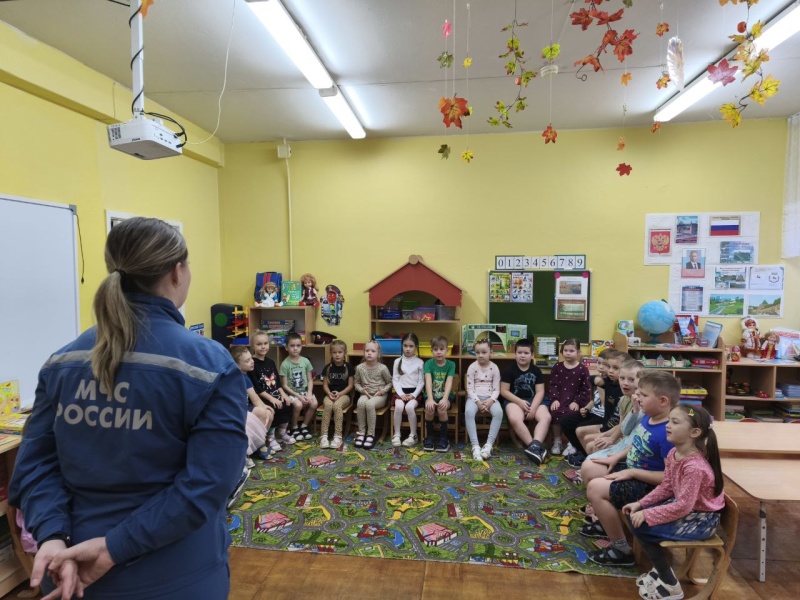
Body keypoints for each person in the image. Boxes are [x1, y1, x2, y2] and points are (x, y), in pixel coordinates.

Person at [9, 217, 247, 599]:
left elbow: (34, 466)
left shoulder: (61, 361)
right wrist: (113, 547)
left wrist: (51, 536)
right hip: (175, 576)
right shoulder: (209, 364)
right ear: (177, 272)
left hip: (70, 570)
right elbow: (209, 484)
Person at [624, 405, 724, 600]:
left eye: (675, 422)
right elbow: (667, 486)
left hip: (701, 521)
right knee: (633, 516)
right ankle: (661, 570)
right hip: (687, 511)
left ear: (695, 432)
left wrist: (647, 514)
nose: (667, 425)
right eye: (669, 420)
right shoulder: (673, 454)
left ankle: (671, 585)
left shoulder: (694, 467)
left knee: (641, 525)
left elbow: (684, 506)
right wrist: (641, 504)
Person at [580, 371, 678, 567]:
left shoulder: (669, 434)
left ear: (663, 401)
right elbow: (636, 443)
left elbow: (669, 479)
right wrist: (616, 457)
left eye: (643, 395)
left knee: (595, 488)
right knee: (590, 468)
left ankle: (621, 550)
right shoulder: (649, 417)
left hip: (649, 486)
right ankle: (606, 521)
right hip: (633, 469)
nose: (637, 397)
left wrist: (631, 472)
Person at [568, 349, 626, 467]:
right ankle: (589, 461)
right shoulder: (609, 381)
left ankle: (593, 465)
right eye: (609, 367)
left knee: (591, 442)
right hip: (609, 424)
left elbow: (621, 423)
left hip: (614, 428)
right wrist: (598, 380)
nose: (610, 371)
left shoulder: (622, 390)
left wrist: (609, 435)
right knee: (579, 430)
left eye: (615, 368)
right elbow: (592, 380)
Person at [500, 338, 551, 465]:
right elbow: (504, 391)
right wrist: (520, 402)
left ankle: (536, 444)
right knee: (515, 418)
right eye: (519, 353)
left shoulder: (536, 370)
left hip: (535, 400)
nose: (522, 355)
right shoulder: (509, 370)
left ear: (532, 355)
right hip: (514, 400)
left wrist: (533, 408)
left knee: (546, 417)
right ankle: (532, 446)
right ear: (515, 354)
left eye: (526, 353)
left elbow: (540, 392)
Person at [561, 348, 612, 462]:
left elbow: (606, 404)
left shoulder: (609, 382)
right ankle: (581, 450)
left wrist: (601, 386)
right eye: (599, 363)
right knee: (566, 421)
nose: (601, 367)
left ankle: (585, 454)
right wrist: (587, 408)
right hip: (593, 412)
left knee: (580, 427)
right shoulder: (599, 378)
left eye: (605, 365)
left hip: (604, 417)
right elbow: (595, 399)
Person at [249, 330, 294, 448]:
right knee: (275, 406)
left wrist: (284, 395)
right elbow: (257, 388)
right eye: (259, 344)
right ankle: (270, 437)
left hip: (275, 393)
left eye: (265, 343)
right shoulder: (252, 364)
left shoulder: (271, 362)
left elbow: (277, 382)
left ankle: (281, 433)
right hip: (262, 397)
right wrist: (272, 399)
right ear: (253, 346)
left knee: (288, 403)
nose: (263, 346)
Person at [547, 339, 591, 456]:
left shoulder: (583, 369)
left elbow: (586, 389)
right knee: (555, 411)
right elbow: (553, 385)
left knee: (572, 414)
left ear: (578, 352)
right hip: (560, 399)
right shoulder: (557, 367)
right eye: (565, 350)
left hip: (574, 401)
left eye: (571, 351)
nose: (568, 353)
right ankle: (557, 440)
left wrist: (577, 402)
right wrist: (554, 399)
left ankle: (572, 442)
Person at [230, 346, 274, 462]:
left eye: (251, 358)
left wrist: (265, 408)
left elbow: (255, 399)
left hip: (246, 406)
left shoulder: (246, 377)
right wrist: (262, 410)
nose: (252, 362)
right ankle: (247, 451)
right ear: (237, 365)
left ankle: (259, 445)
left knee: (269, 412)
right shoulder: (234, 378)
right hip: (236, 409)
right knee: (261, 413)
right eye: (247, 361)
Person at [464, 339, 502, 461]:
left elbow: (497, 389)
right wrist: (478, 402)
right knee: (468, 412)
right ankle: (475, 445)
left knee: (499, 412)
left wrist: (491, 401)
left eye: (484, 352)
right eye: (477, 352)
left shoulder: (494, 368)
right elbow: (470, 389)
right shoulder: (472, 367)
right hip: (474, 399)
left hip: (490, 399)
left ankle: (488, 445)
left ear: (491, 353)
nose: (480, 355)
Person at [353, 340, 392, 450]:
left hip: (379, 396)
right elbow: (356, 383)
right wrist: (362, 390)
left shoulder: (383, 368)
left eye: (373, 351)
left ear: (378, 354)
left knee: (370, 404)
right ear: (364, 352)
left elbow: (390, 383)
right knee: (361, 402)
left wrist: (382, 391)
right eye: (367, 351)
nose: (369, 353)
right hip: (366, 393)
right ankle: (361, 432)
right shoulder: (360, 368)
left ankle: (371, 434)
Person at [280, 332, 318, 441]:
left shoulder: (305, 361)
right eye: (292, 346)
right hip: (292, 393)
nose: (295, 348)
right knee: (298, 405)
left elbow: (310, 380)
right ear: (286, 347)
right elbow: (284, 385)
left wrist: (309, 393)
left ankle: (304, 426)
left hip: (305, 391)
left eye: (298, 345)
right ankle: (294, 427)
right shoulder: (285, 364)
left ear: (301, 346)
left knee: (314, 403)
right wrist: (298, 396)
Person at [423, 336, 457, 453]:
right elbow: (428, 381)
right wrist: (430, 399)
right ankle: (430, 437)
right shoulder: (428, 364)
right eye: (435, 349)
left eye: (441, 349)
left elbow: (449, 381)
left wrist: (445, 399)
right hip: (431, 395)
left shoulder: (451, 364)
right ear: (431, 351)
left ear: (447, 350)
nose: (438, 352)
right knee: (429, 408)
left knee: (442, 409)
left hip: (446, 395)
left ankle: (443, 438)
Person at [319, 340, 355, 449]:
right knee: (328, 405)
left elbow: (350, 386)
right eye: (334, 352)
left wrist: (340, 394)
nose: (337, 355)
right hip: (330, 394)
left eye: (340, 352)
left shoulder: (348, 367)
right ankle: (324, 436)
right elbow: (325, 385)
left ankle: (338, 436)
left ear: (345, 353)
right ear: (331, 353)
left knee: (337, 405)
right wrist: (329, 393)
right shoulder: (328, 368)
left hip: (344, 396)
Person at [391, 333, 424, 447]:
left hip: (415, 394)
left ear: (416, 347)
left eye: (411, 346)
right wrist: (401, 394)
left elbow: (421, 382)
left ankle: (413, 435)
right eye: (405, 346)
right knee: (399, 406)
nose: (408, 349)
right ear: (402, 346)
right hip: (400, 393)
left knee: (409, 407)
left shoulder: (420, 362)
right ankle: (397, 435)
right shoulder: (397, 361)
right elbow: (395, 380)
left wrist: (414, 395)